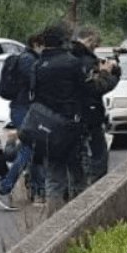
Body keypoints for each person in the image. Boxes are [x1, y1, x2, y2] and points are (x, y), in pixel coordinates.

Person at [32, 21, 94, 213]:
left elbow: (35, 95)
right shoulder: (72, 63)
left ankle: (53, 224)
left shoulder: (38, 65)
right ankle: (80, 218)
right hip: (71, 125)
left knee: (53, 179)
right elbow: (84, 91)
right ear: (63, 41)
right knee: (79, 176)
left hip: (47, 127)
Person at [0, 34, 46, 211]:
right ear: (36, 44)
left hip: (20, 108)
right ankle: (3, 190)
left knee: (33, 149)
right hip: (24, 109)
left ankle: (39, 193)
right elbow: (35, 85)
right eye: (44, 45)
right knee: (28, 151)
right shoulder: (29, 60)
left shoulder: (25, 58)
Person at [71, 26, 121, 189]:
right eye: (96, 45)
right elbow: (96, 88)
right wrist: (110, 74)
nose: (96, 48)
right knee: (96, 155)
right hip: (90, 113)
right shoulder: (87, 61)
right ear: (90, 40)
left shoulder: (69, 57)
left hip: (70, 114)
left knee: (78, 156)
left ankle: (76, 188)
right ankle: (95, 188)